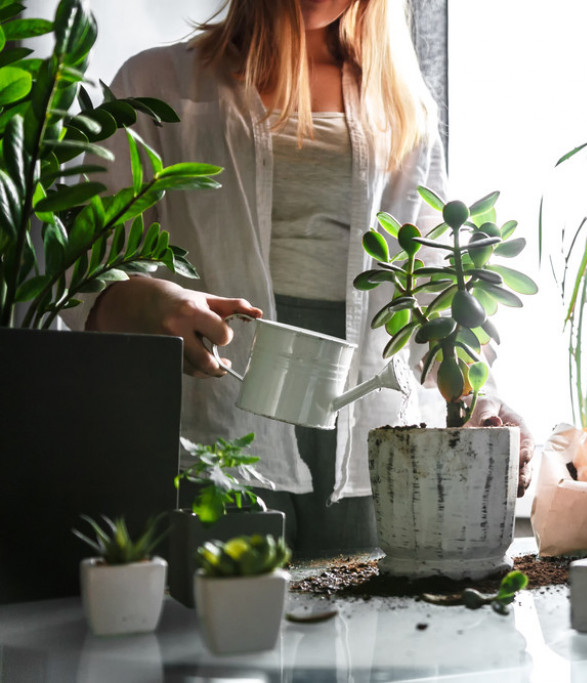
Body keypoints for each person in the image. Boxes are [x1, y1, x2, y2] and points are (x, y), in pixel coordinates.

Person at [68, 0, 534, 559]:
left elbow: (432, 290)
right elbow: (79, 265)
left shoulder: (401, 108)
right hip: (215, 417)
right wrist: (151, 304)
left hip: (367, 436)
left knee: (369, 634)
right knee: (216, 633)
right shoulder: (155, 83)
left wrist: (482, 395)